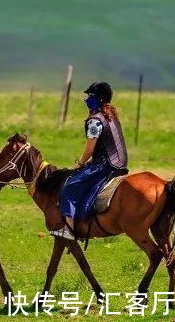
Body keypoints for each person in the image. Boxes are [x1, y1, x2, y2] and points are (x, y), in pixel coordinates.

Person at [51, 82, 128, 240]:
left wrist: (79, 164)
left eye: (91, 97)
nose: (87, 100)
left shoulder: (95, 120)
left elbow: (90, 149)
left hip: (106, 165)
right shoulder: (111, 116)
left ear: (99, 99)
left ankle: (69, 230)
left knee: (70, 188)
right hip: (120, 163)